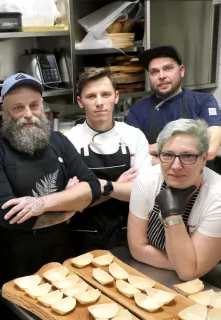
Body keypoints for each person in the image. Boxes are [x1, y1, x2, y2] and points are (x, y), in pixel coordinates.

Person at [0, 73, 101, 316]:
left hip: (61, 257)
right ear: (4, 110)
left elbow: (93, 188)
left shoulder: (58, 141)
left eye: (34, 105)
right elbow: (7, 216)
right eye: (18, 107)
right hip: (13, 264)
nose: (28, 114)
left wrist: (41, 204)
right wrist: (70, 206)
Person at [64, 67, 151, 254]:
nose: (99, 102)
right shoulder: (69, 141)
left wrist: (96, 187)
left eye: (105, 94)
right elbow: (70, 202)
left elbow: (142, 193)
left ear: (116, 97)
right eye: (91, 96)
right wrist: (118, 185)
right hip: (82, 235)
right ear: (80, 101)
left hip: (128, 234)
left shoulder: (134, 136)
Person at [128, 119, 221, 281]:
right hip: (149, 273)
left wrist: (172, 213)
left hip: (205, 282)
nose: (176, 166)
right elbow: (137, 249)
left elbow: (190, 274)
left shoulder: (217, 196)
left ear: (204, 158)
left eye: (188, 156)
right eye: (168, 155)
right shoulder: (147, 180)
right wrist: (186, 265)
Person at [126, 45, 221, 164]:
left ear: (181, 71)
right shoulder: (137, 111)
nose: (161, 76)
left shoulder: (204, 101)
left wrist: (157, 148)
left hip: (200, 179)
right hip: (156, 180)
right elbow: (134, 155)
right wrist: (186, 157)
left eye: (168, 68)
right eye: (154, 72)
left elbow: (211, 149)